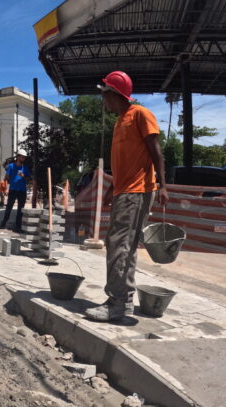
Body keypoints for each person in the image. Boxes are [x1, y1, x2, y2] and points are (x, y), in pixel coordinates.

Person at [85, 70, 169, 322]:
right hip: (124, 191)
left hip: (138, 191)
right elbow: (123, 163)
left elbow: (156, 153)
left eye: (105, 95)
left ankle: (118, 303)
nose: (103, 101)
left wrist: (163, 185)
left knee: (120, 246)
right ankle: (122, 301)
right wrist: (112, 189)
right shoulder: (120, 121)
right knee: (123, 246)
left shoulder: (141, 115)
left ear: (115, 94)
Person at [0, 150, 31, 232]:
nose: (23, 158)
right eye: (22, 157)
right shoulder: (11, 166)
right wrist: (7, 180)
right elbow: (7, 177)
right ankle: (4, 222)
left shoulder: (25, 168)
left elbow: (29, 179)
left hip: (22, 191)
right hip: (13, 190)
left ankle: (18, 226)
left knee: (21, 209)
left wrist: (23, 176)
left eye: (24, 157)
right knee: (9, 207)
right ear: (18, 157)